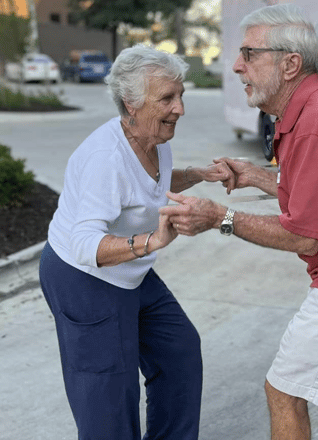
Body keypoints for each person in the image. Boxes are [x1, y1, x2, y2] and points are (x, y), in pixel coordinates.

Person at [161, 4, 318, 440]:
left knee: (285, 390)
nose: (238, 66)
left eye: (250, 54)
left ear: (290, 64)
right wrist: (256, 175)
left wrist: (219, 218)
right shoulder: (313, 109)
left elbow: (304, 234)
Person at [38, 44, 235, 440]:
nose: (180, 108)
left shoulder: (151, 138)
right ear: (131, 104)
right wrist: (152, 240)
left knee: (178, 352)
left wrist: (199, 173)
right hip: (84, 278)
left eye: (181, 96)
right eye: (167, 98)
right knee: (109, 400)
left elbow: (150, 182)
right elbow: (84, 245)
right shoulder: (105, 159)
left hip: (130, 273)